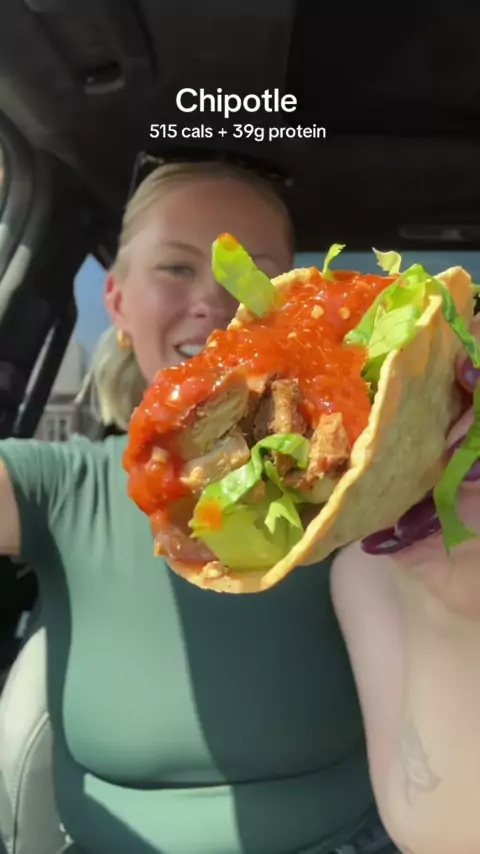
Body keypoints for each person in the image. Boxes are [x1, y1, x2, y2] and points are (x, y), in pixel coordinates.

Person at [0, 159, 478, 854]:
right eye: (175, 267)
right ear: (117, 302)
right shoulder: (60, 485)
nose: (214, 299)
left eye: (253, 273)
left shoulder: (374, 526)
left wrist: (456, 596)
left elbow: (449, 824)